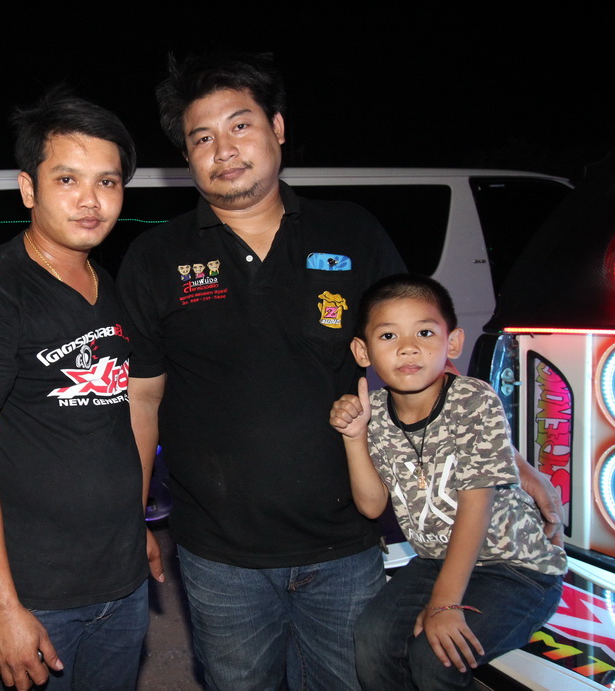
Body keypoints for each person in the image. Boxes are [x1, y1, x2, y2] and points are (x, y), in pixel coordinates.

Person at [115, 52, 564, 690]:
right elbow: (141, 399)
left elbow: (419, 365)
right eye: (202, 138)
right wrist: (130, 517)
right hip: (219, 555)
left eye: (240, 126)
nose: (225, 149)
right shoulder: (155, 257)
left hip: (346, 544)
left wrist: (509, 461)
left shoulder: (353, 232)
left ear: (277, 127)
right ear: (186, 156)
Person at [0, 91, 156, 691]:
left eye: (108, 182)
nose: (91, 200)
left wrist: (133, 528)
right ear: (28, 189)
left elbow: (114, 423)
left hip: (122, 580)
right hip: (35, 592)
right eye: (67, 179)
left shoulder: (107, 285)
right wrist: (2, 605)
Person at [329, 274, 565, 690]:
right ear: (362, 351)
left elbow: (476, 507)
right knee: (371, 639)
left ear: (452, 342)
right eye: (388, 335)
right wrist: (354, 437)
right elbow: (371, 505)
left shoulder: (473, 400)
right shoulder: (375, 413)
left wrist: (444, 603)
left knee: (436, 658)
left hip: (515, 569)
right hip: (436, 561)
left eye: (424, 332)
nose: (408, 347)